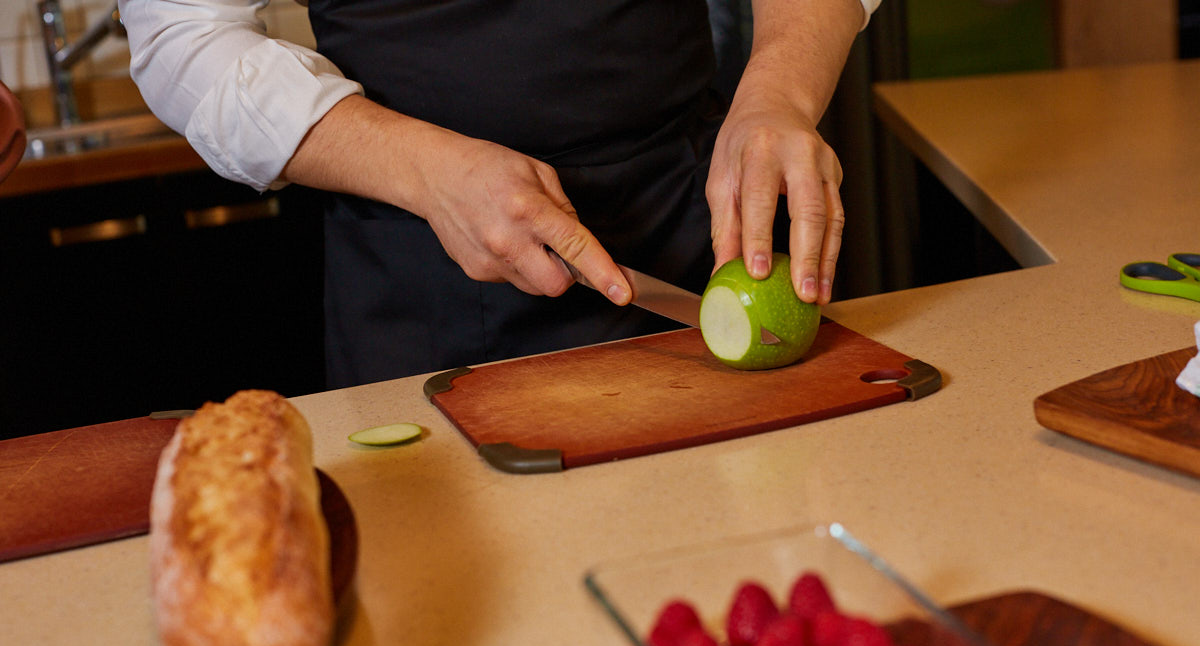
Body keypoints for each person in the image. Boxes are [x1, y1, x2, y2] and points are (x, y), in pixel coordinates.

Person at [119, 0, 880, 387]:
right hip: (428, 278)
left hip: (689, 224)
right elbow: (185, 42)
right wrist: (423, 168)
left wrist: (778, 91)